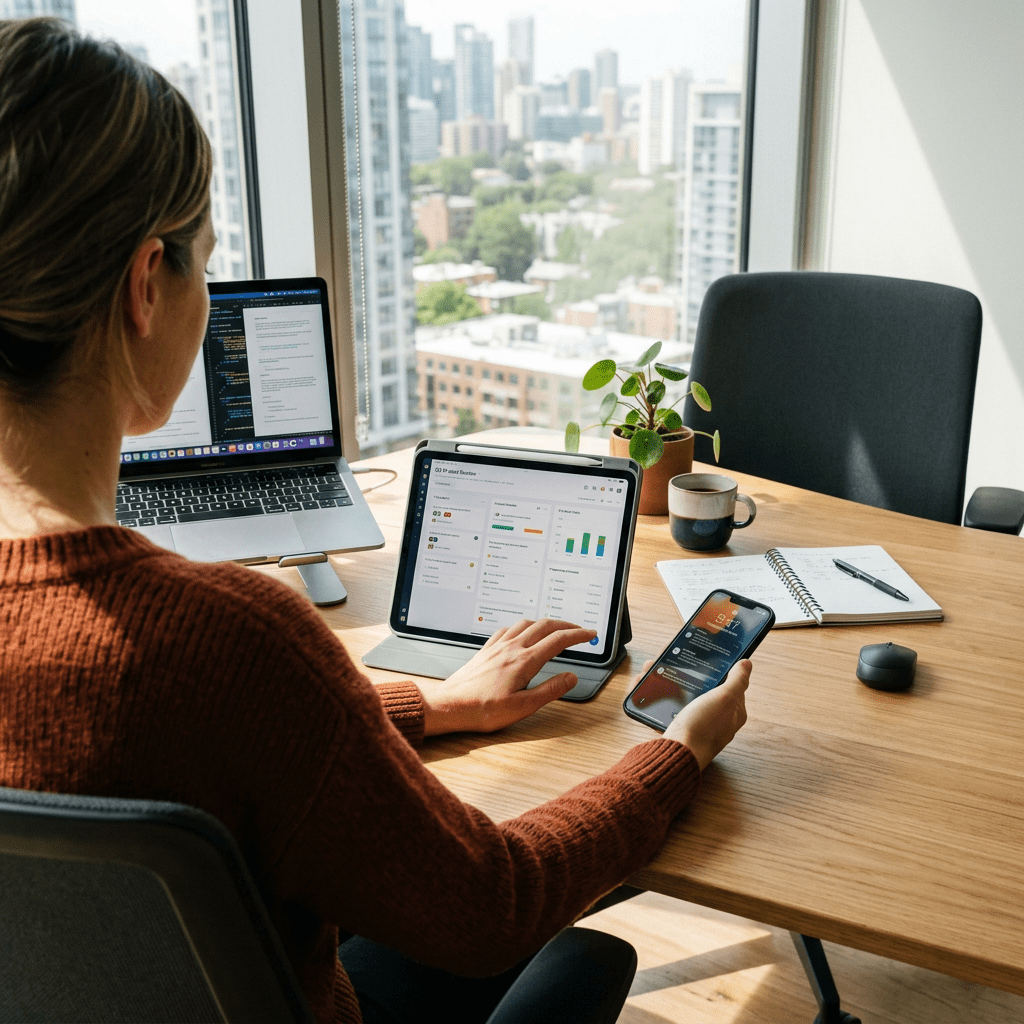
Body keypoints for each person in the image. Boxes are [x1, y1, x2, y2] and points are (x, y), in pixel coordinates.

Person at [0, 18, 751, 1024]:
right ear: (146, 283)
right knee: (581, 951)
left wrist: (423, 706)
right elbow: (492, 904)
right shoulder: (233, 639)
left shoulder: (225, 666)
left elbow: (190, 770)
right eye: (204, 261)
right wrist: (676, 753)